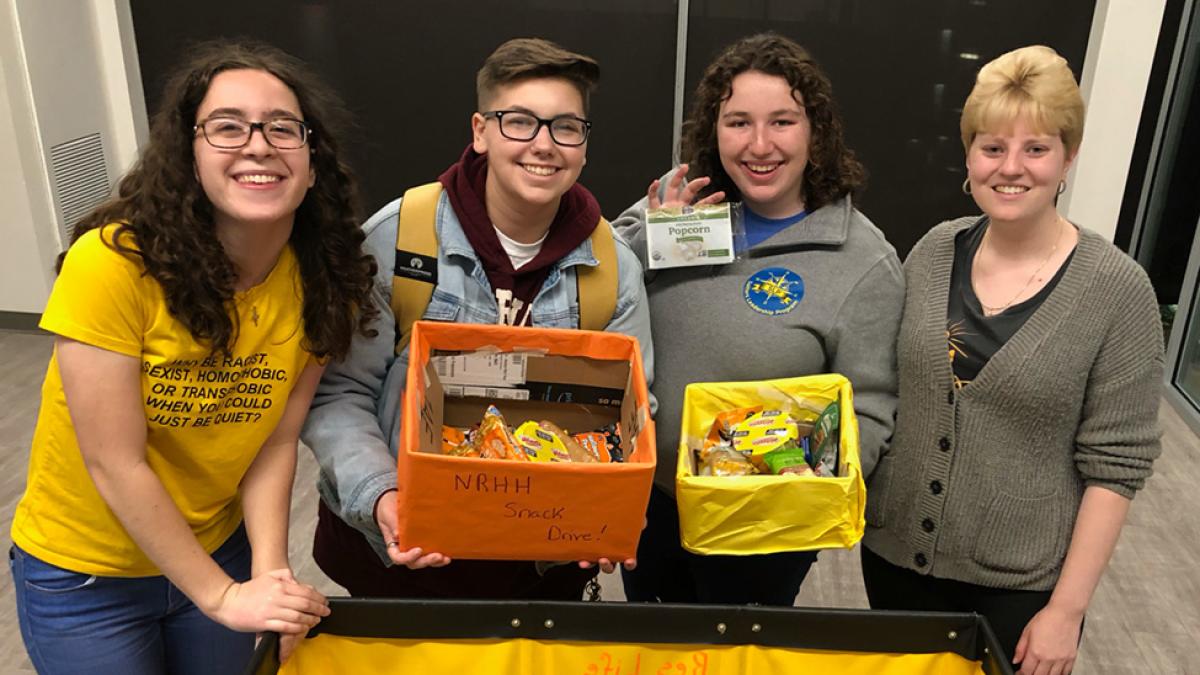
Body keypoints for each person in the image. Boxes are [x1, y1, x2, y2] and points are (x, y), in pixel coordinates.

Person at [8, 40, 379, 674]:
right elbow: (113, 460)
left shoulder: (327, 281)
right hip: (87, 577)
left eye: (282, 128)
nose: (258, 144)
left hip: (219, 544)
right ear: (190, 156)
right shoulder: (113, 263)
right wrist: (221, 596)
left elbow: (275, 442)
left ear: (312, 162)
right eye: (228, 127)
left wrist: (268, 574)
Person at [301, 38, 652, 600]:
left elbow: (630, 410)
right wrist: (382, 495)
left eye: (566, 127)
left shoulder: (612, 266)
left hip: (540, 569)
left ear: (584, 145)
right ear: (480, 131)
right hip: (401, 564)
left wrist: (607, 504)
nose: (543, 145)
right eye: (518, 122)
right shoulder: (398, 238)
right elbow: (339, 392)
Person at [861, 45, 1164, 675]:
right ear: (969, 155)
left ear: (1067, 157)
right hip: (893, 559)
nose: (1011, 168)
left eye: (1037, 149)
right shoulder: (934, 249)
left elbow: (1117, 466)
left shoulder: (1118, 290)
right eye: (992, 147)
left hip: (1018, 591)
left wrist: (1067, 611)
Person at [612, 33, 903, 606]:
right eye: (739, 122)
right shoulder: (682, 212)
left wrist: (800, 496)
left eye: (783, 122)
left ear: (815, 131)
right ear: (713, 132)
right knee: (653, 649)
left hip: (761, 527)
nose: (760, 145)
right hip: (649, 501)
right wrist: (650, 234)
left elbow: (869, 408)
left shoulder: (863, 262)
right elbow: (595, 291)